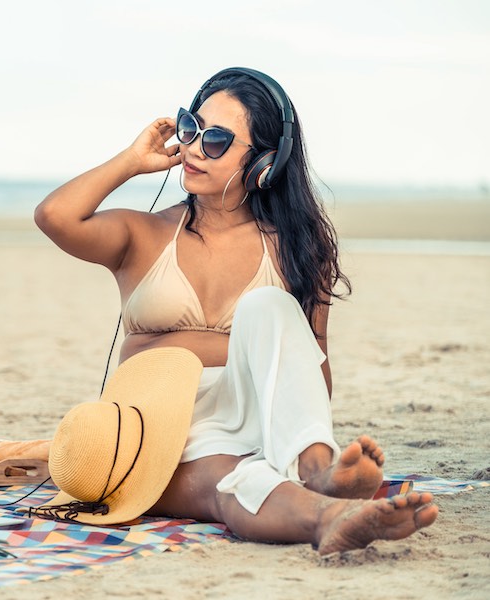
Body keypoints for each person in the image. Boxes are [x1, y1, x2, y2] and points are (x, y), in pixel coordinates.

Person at [32, 67, 437, 554]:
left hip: (257, 411)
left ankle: (316, 469)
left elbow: (312, 369)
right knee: (230, 480)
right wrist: (131, 161)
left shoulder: (297, 248)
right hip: (162, 423)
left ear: (266, 162)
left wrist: (290, 417)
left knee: (268, 306)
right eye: (191, 128)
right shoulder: (144, 234)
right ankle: (327, 515)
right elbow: (55, 216)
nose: (196, 147)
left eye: (219, 139)